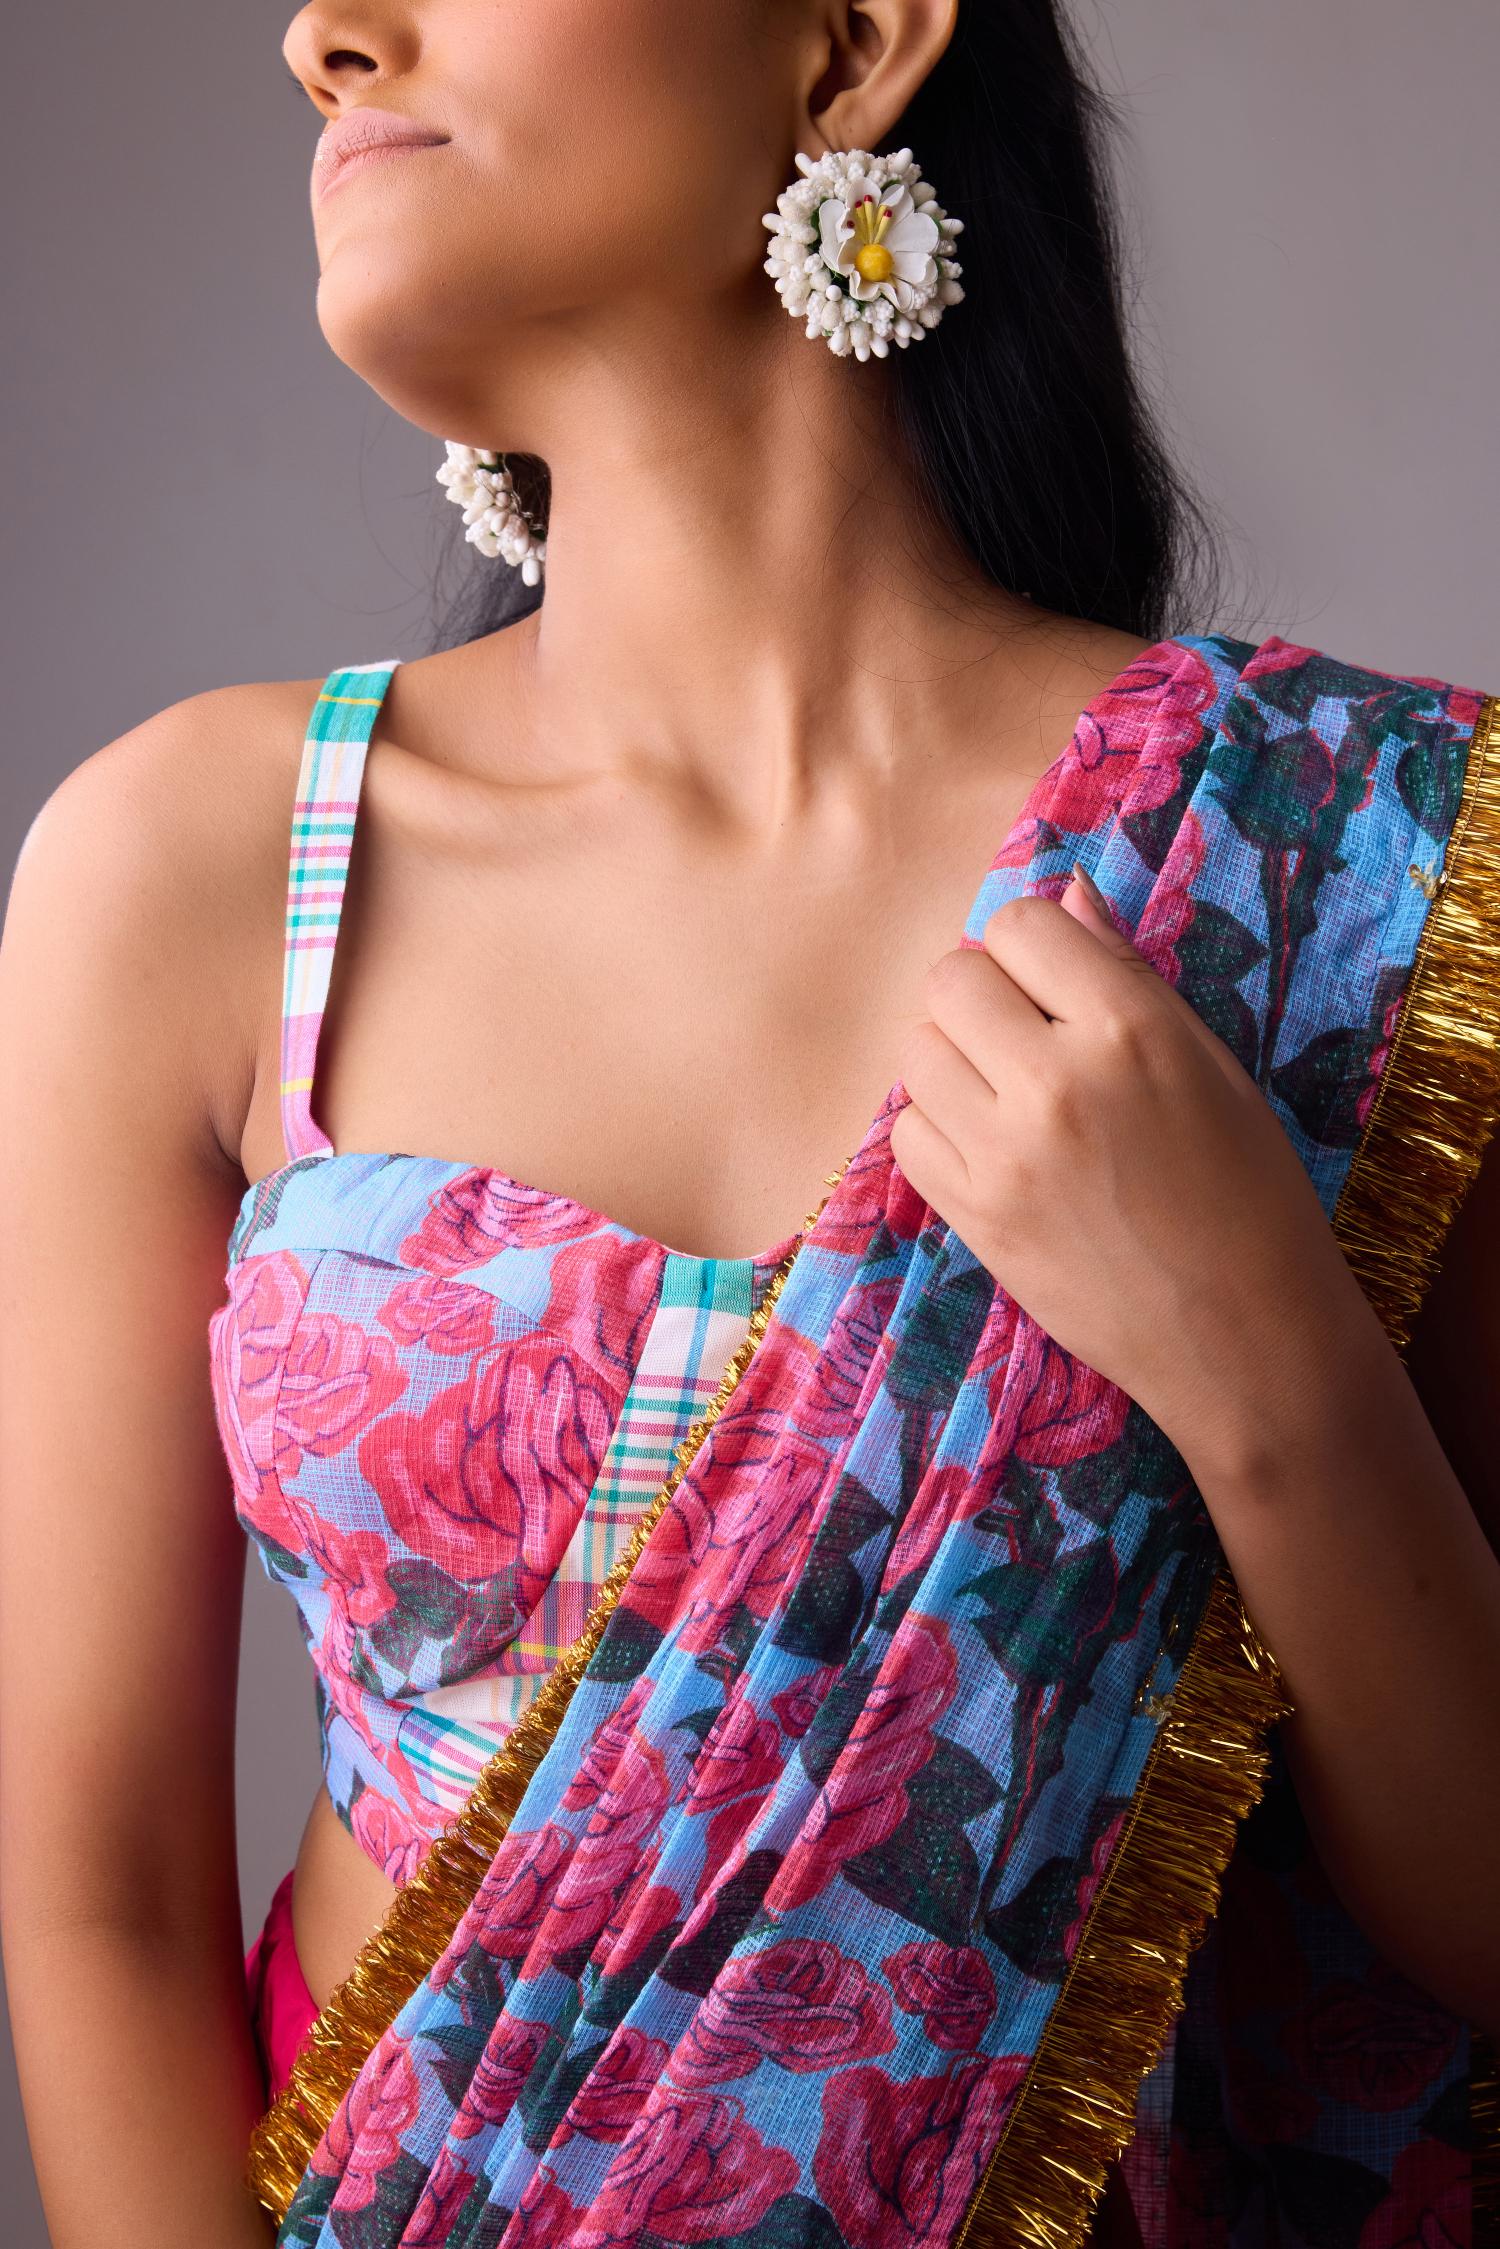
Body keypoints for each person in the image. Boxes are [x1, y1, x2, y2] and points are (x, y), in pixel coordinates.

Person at [0, 2, 1495, 2246]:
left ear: (852, 47)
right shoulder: (209, 868)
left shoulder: (1340, 861)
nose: (325, 36)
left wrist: (1274, 1365)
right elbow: (100, 1903)